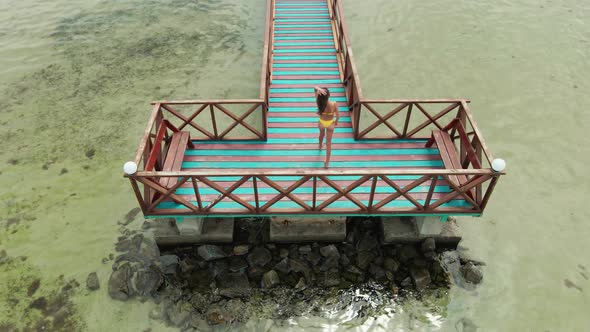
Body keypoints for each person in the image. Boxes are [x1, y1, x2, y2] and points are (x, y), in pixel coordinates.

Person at [314, 86, 339, 168]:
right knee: (328, 143)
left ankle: (320, 145)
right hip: (330, 124)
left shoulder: (318, 102)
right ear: (329, 95)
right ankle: (327, 163)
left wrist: (318, 89)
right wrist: (336, 122)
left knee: (321, 134)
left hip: (322, 122)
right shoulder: (334, 104)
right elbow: (338, 116)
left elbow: (314, 88)